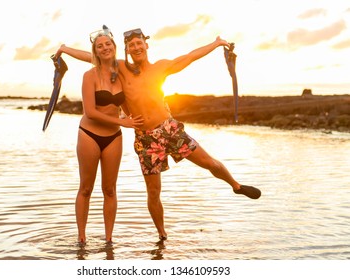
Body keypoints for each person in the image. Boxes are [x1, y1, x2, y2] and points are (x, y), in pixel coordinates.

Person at [56, 27, 261, 241]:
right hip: (146, 139)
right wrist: (64, 49)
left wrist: (216, 43)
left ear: (146, 45)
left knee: (209, 162)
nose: (136, 48)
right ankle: (162, 235)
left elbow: (190, 57)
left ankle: (236, 186)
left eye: (139, 43)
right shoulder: (122, 68)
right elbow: (92, 56)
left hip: (169, 129)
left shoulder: (161, 67)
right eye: (131, 45)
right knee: (153, 192)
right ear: (126, 49)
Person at [74, 27, 143, 244]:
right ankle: (82, 238)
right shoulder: (89, 75)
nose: (105, 48)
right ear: (96, 51)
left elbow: (126, 103)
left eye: (108, 44)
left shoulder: (121, 74)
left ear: (114, 47)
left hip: (114, 137)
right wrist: (123, 121)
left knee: (110, 190)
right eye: (100, 46)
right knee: (86, 188)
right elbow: (90, 112)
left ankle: (109, 240)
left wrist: (139, 120)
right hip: (89, 135)